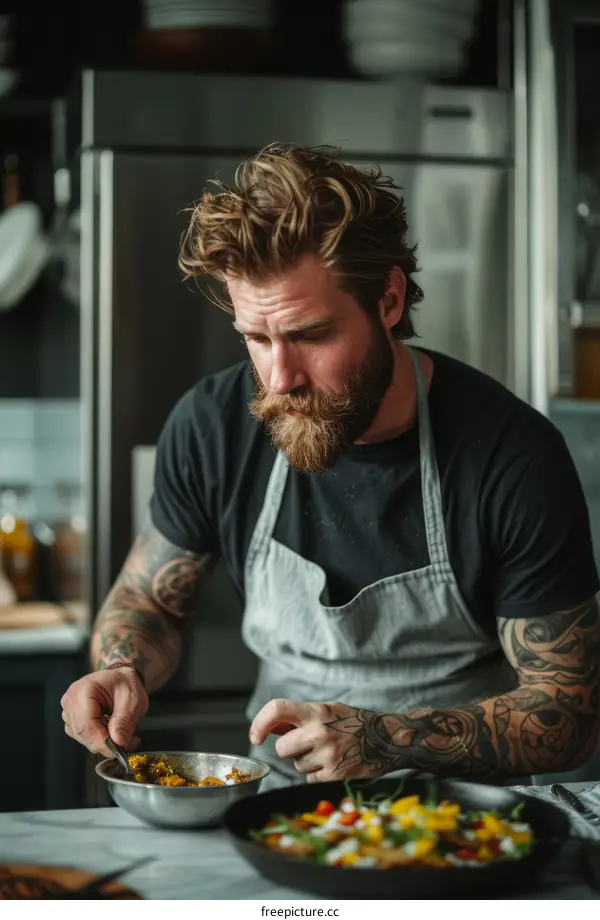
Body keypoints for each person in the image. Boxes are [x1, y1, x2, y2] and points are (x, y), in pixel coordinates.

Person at [61, 144, 600, 789]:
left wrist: (385, 737)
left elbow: (566, 714)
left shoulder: (511, 455)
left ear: (389, 300)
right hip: (274, 805)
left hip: (464, 814)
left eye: (310, 335)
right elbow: (148, 597)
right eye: (256, 338)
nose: (279, 378)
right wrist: (121, 668)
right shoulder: (213, 425)